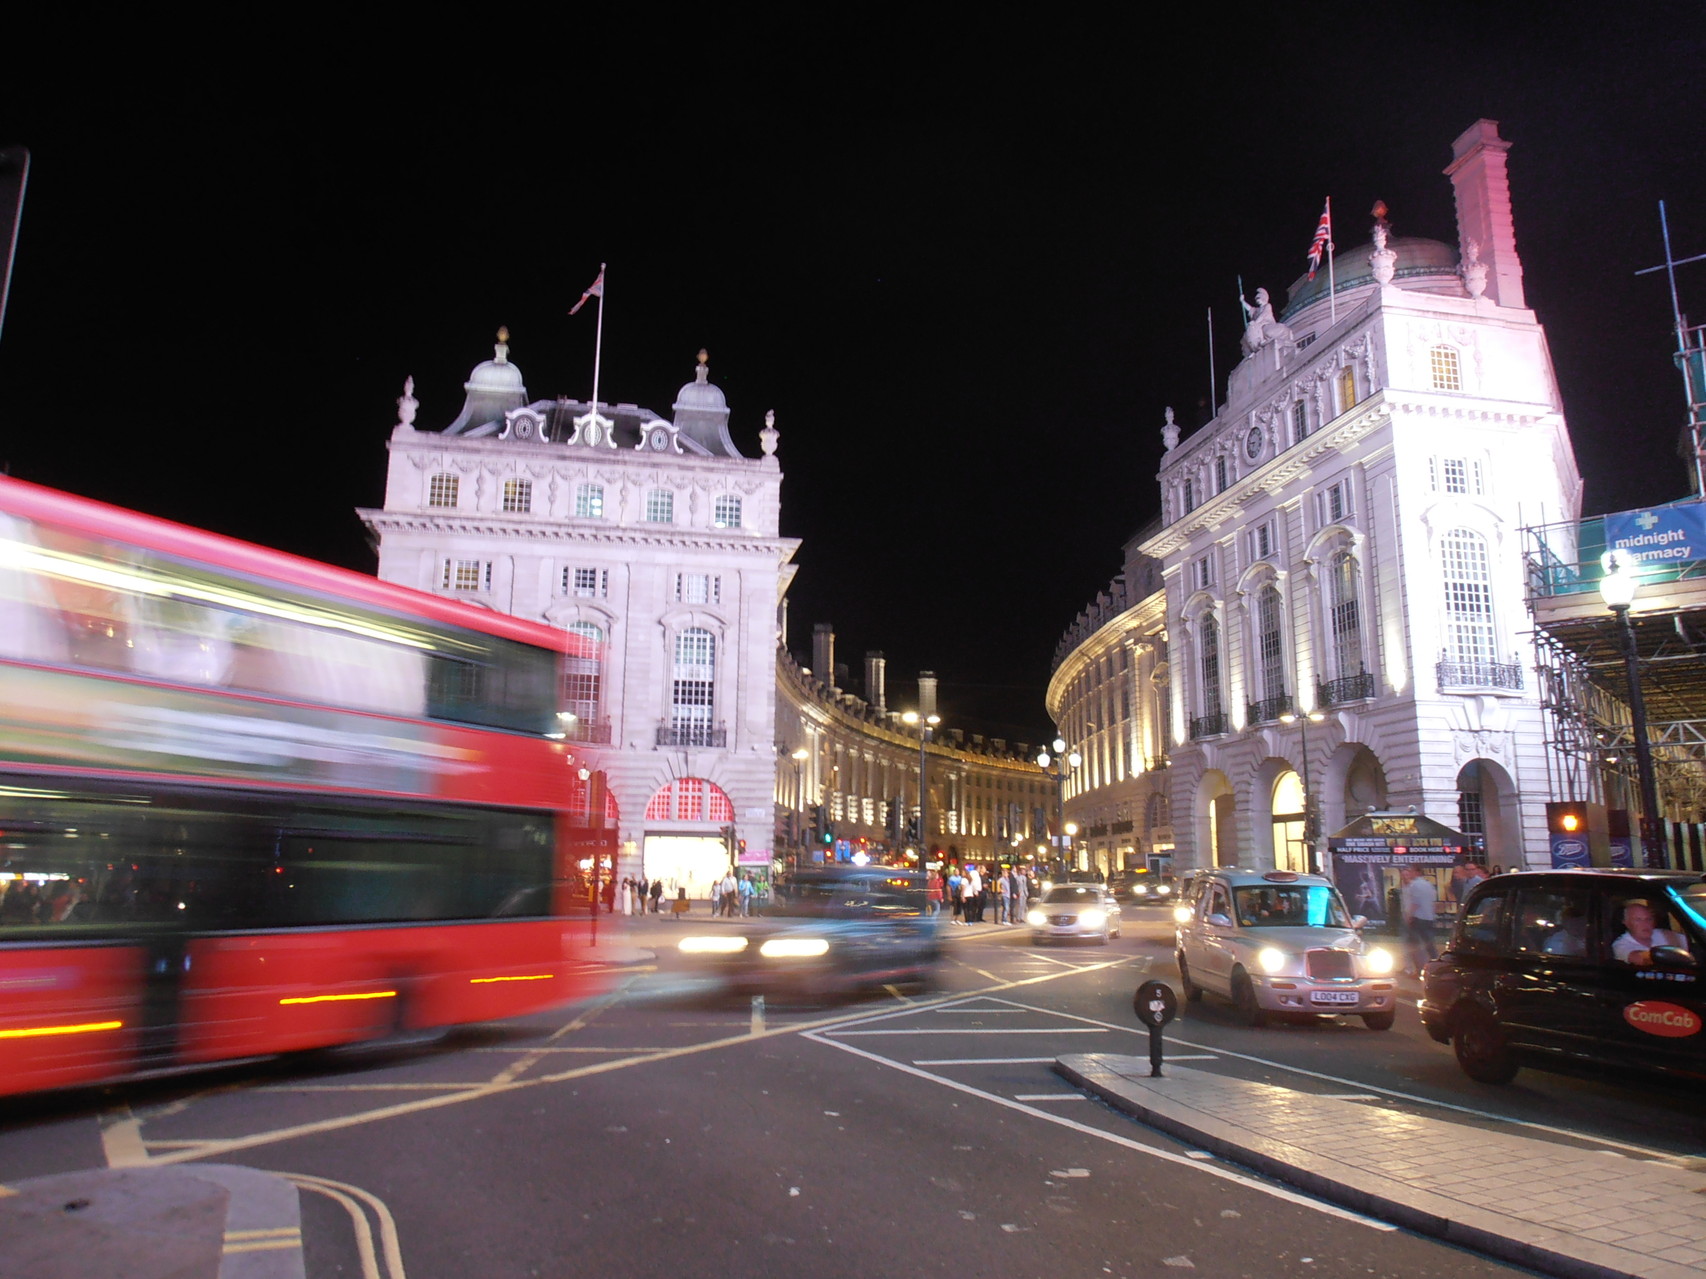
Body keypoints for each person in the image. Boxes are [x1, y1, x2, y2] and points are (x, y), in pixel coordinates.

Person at [1611, 899, 1690, 967]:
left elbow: (1692, 945)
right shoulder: (1620, 945)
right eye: (1638, 920)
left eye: (1649, 919)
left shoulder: (1664, 934)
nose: (1645, 924)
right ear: (1626, 923)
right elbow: (1640, 959)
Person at [1399, 865, 1438, 975]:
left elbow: (1415, 903)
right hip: (1429, 918)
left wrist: (1409, 917)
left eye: (1411, 871)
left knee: (1414, 945)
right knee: (1430, 945)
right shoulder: (1429, 885)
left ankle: (1419, 970)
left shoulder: (1414, 885)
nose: (1409, 873)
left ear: (1416, 872)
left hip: (1417, 919)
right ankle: (1436, 967)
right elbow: (1433, 903)